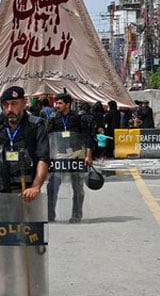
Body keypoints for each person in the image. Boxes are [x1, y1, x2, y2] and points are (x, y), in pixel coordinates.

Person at [0, 86, 49, 202]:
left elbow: (43, 158)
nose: (9, 109)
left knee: (28, 219)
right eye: (6, 105)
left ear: (24, 103)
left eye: (14, 104)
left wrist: (36, 187)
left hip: (27, 192)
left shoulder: (36, 126)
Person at [46, 94, 93, 223]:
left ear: (67, 104)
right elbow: (47, 137)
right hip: (59, 157)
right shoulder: (54, 119)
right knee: (52, 186)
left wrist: (88, 155)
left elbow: (87, 137)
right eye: (56, 103)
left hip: (76, 156)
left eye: (60, 103)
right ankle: (50, 214)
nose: (57, 106)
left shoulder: (78, 118)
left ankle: (76, 215)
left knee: (77, 186)